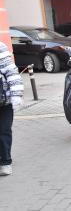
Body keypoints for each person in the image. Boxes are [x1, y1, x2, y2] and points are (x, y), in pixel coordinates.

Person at [0, 42, 24, 176]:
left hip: (4, 100)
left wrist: (16, 95)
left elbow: (11, 72)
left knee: (3, 130)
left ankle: (5, 162)